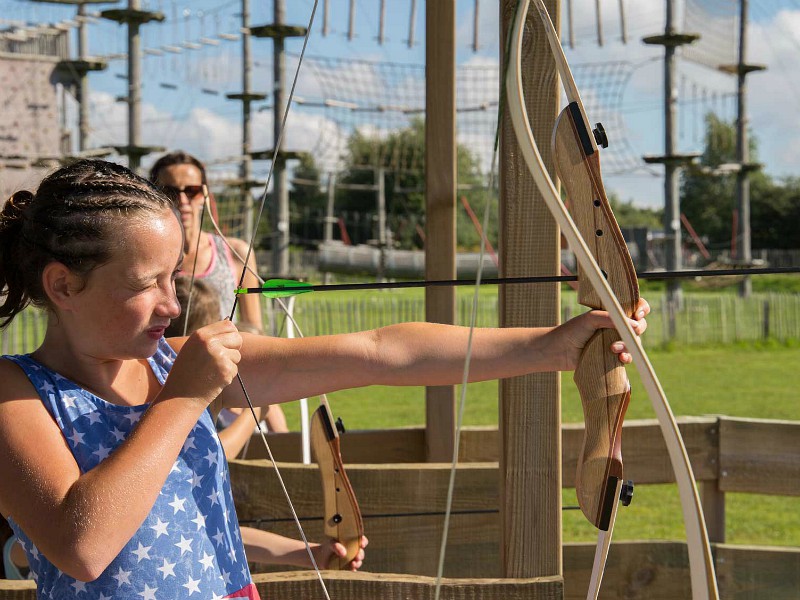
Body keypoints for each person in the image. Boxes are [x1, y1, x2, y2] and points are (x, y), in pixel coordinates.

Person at [0, 160, 648, 599]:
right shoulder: (15, 392)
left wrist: (554, 346)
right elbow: (84, 543)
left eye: (175, 279)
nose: (173, 306)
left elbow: (379, 351)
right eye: (147, 286)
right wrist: (187, 399)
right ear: (62, 285)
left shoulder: (176, 363)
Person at [165, 276, 288, 445]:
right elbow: (217, 449)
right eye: (211, 324)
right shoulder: (190, 383)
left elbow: (285, 439)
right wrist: (256, 412)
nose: (220, 327)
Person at [148, 151, 263, 332]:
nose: (183, 200)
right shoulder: (145, 255)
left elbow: (254, 329)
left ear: (204, 194)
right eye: (171, 192)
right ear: (155, 195)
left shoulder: (236, 253)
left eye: (192, 191)